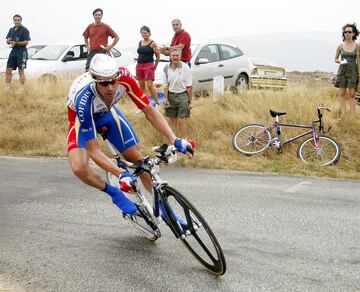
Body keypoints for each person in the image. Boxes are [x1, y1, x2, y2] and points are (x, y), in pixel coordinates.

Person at [66, 54, 194, 216]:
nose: (110, 87)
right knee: (79, 168)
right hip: (80, 118)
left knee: (138, 160)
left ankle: (166, 212)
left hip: (106, 113)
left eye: (113, 81)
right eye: (104, 83)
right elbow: (94, 150)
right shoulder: (84, 100)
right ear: (94, 81)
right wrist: (120, 173)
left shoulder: (125, 78)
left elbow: (148, 110)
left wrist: (175, 140)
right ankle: (115, 193)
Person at [163, 48, 193, 137]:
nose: (175, 57)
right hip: (171, 96)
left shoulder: (185, 67)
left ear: (180, 56)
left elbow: (189, 87)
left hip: (182, 96)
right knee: (172, 120)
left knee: (181, 120)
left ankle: (183, 141)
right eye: (173, 55)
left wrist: (190, 102)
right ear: (170, 57)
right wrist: (166, 98)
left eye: (177, 55)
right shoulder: (166, 68)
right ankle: (173, 142)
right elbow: (165, 85)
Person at [334, 23, 360, 115]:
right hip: (342, 71)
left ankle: (353, 115)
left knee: (352, 94)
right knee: (342, 94)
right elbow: (336, 59)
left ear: (353, 33)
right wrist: (340, 61)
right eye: (345, 32)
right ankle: (343, 115)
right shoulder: (340, 46)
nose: (347, 33)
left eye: (349, 32)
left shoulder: (357, 46)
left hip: (353, 72)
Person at [136, 25, 161, 108]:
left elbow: (158, 56)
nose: (143, 34)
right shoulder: (140, 42)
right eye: (142, 33)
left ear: (149, 33)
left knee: (150, 86)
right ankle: (144, 105)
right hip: (139, 65)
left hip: (149, 65)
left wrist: (155, 67)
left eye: (145, 33)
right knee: (141, 87)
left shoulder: (152, 43)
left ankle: (157, 103)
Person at [5, 14, 31, 92]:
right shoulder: (11, 29)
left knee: (21, 70)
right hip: (13, 51)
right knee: (8, 70)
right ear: (13, 21)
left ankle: (21, 90)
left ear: (21, 21)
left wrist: (16, 43)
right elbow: (7, 41)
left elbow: (26, 42)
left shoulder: (25, 30)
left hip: (22, 52)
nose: (17, 21)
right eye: (15, 20)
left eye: (18, 20)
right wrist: (8, 41)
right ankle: (7, 88)